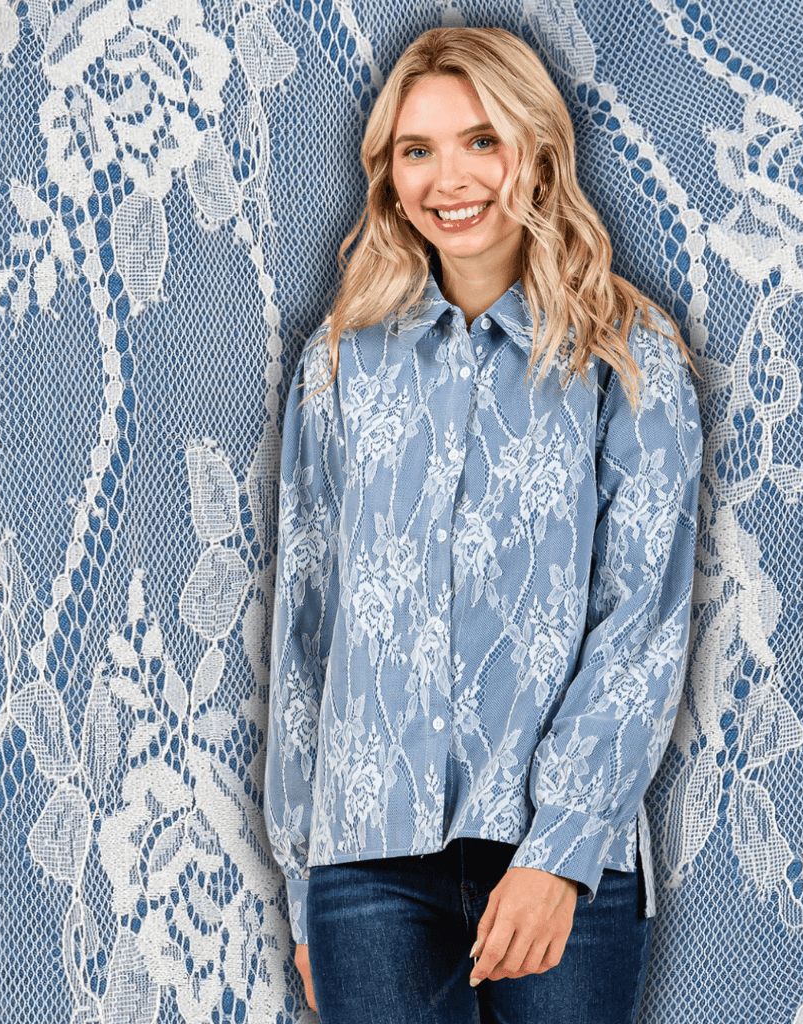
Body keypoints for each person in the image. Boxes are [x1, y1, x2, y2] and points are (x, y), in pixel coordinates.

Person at [264, 26, 702, 1024]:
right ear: (388, 174)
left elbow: (641, 619)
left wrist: (559, 850)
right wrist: (304, 880)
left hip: (560, 863)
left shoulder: (625, 354)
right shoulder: (338, 362)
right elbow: (308, 629)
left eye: (480, 141)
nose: (447, 179)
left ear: (536, 153)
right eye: (416, 149)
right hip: (365, 869)